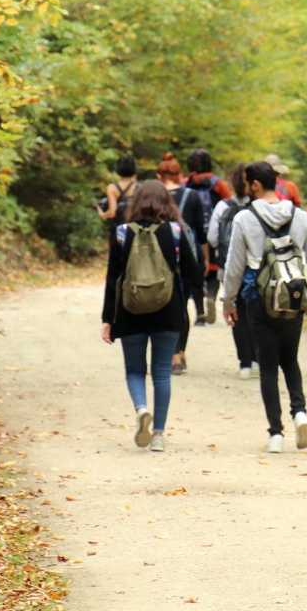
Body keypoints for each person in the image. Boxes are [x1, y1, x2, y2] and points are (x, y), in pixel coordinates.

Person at [221, 160, 307, 453]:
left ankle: (276, 434)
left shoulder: (245, 218)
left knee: (268, 366)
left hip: (259, 299)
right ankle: (300, 413)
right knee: (290, 359)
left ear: (255, 184)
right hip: (293, 296)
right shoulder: (300, 216)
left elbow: (234, 266)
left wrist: (228, 300)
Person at [100, 181, 202, 453]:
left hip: (130, 311)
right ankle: (158, 434)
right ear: (166, 202)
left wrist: (108, 318)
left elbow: (113, 278)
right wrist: (181, 301)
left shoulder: (122, 233)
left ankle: (142, 408)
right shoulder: (177, 232)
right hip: (167, 311)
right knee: (161, 375)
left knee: (134, 370)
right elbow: (193, 271)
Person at [157, 155, 209, 374]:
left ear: (159, 176)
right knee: (183, 306)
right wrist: (205, 259)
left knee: (162, 306)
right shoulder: (192, 196)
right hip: (188, 258)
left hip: (160, 258)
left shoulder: (154, 197)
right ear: (179, 175)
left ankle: (167, 354)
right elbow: (200, 231)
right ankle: (179, 354)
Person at [209, 163, 258, 379]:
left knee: (236, 313)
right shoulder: (257, 206)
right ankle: (257, 359)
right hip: (255, 269)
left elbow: (212, 238)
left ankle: (244, 363)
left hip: (228, 268)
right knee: (255, 312)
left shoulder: (223, 206)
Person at [185, 149, 232, 325]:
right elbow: (229, 204)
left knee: (195, 268)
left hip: (191, 233)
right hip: (214, 232)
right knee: (213, 268)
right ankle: (211, 296)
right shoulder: (218, 183)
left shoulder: (186, 183)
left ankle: (200, 311)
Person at [99, 154, 138, 230]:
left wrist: (102, 214)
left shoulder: (112, 188)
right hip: (136, 229)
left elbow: (112, 212)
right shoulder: (141, 187)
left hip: (119, 229)